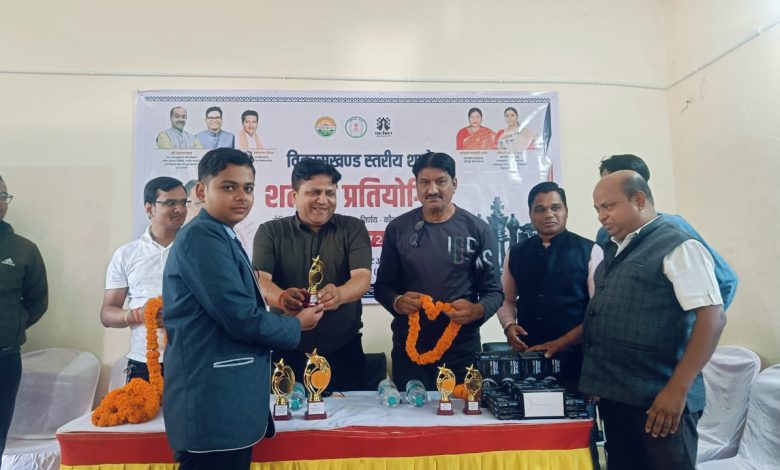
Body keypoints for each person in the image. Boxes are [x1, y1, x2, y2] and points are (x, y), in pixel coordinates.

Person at [162, 148, 323, 469]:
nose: (241, 197)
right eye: (228, 187)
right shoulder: (202, 237)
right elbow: (239, 318)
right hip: (212, 403)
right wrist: (296, 325)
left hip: (225, 401)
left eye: (248, 188)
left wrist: (282, 305)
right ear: (201, 191)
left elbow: (234, 304)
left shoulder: (222, 234)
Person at [581, 170, 726, 469]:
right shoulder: (615, 247)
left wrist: (677, 390)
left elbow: (712, 319)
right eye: (597, 209)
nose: (601, 216)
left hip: (660, 401)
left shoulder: (677, 245)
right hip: (618, 398)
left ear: (639, 200)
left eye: (608, 206)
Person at [374, 151, 503, 390]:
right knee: (410, 411)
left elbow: (494, 292)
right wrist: (398, 301)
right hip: (409, 349)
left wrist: (477, 310)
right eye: (424, 182)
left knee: (463, 411)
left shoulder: (478, 230)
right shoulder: (398, 229)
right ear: (416, 187)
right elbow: (382, 287)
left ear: (454, 183)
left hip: (461, 350)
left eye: (441, 181)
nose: (432, 190)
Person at [253, 158, 371, 391]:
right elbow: (261, 280)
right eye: (314, 192)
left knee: (352, 413)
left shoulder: (353, 228)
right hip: (287, 348)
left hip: (344, 350)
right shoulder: (270, 232)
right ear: (294, 196)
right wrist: (281, 298)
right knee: (287, 412)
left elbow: (362, 278)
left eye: (330, 193)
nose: (323, 200)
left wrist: (340, 294)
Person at [497, 182, 603, 390]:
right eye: (540, 209)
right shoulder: (516, 253)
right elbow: (505, 299)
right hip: (529, 360)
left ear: (566, 211)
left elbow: (599, 314)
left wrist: (560, 343)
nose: (548, 214)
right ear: (530, 214)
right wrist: (509, 325)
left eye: (555, 207)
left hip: (577, 363)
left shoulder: (590, 251)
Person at [597, 154, 738, 309]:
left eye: (610, 182)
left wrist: (697, 321)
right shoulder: (605, 234)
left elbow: (726, 281)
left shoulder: (673, 228)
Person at [100, 177, 187, 382]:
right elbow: (107, 314)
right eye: (170, 203)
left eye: (183, 202)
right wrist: (138, 315)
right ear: (149, 208)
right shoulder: (127, 254)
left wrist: (179, 315)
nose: (179, 209)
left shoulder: (199, 250)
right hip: (144, 363)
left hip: (193, 359)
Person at [0, 175, 48, 458]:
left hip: (4, 357)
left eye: (3, 196)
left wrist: (12, 325)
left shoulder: (24, 249)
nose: (0, 202)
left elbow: (37, 302)